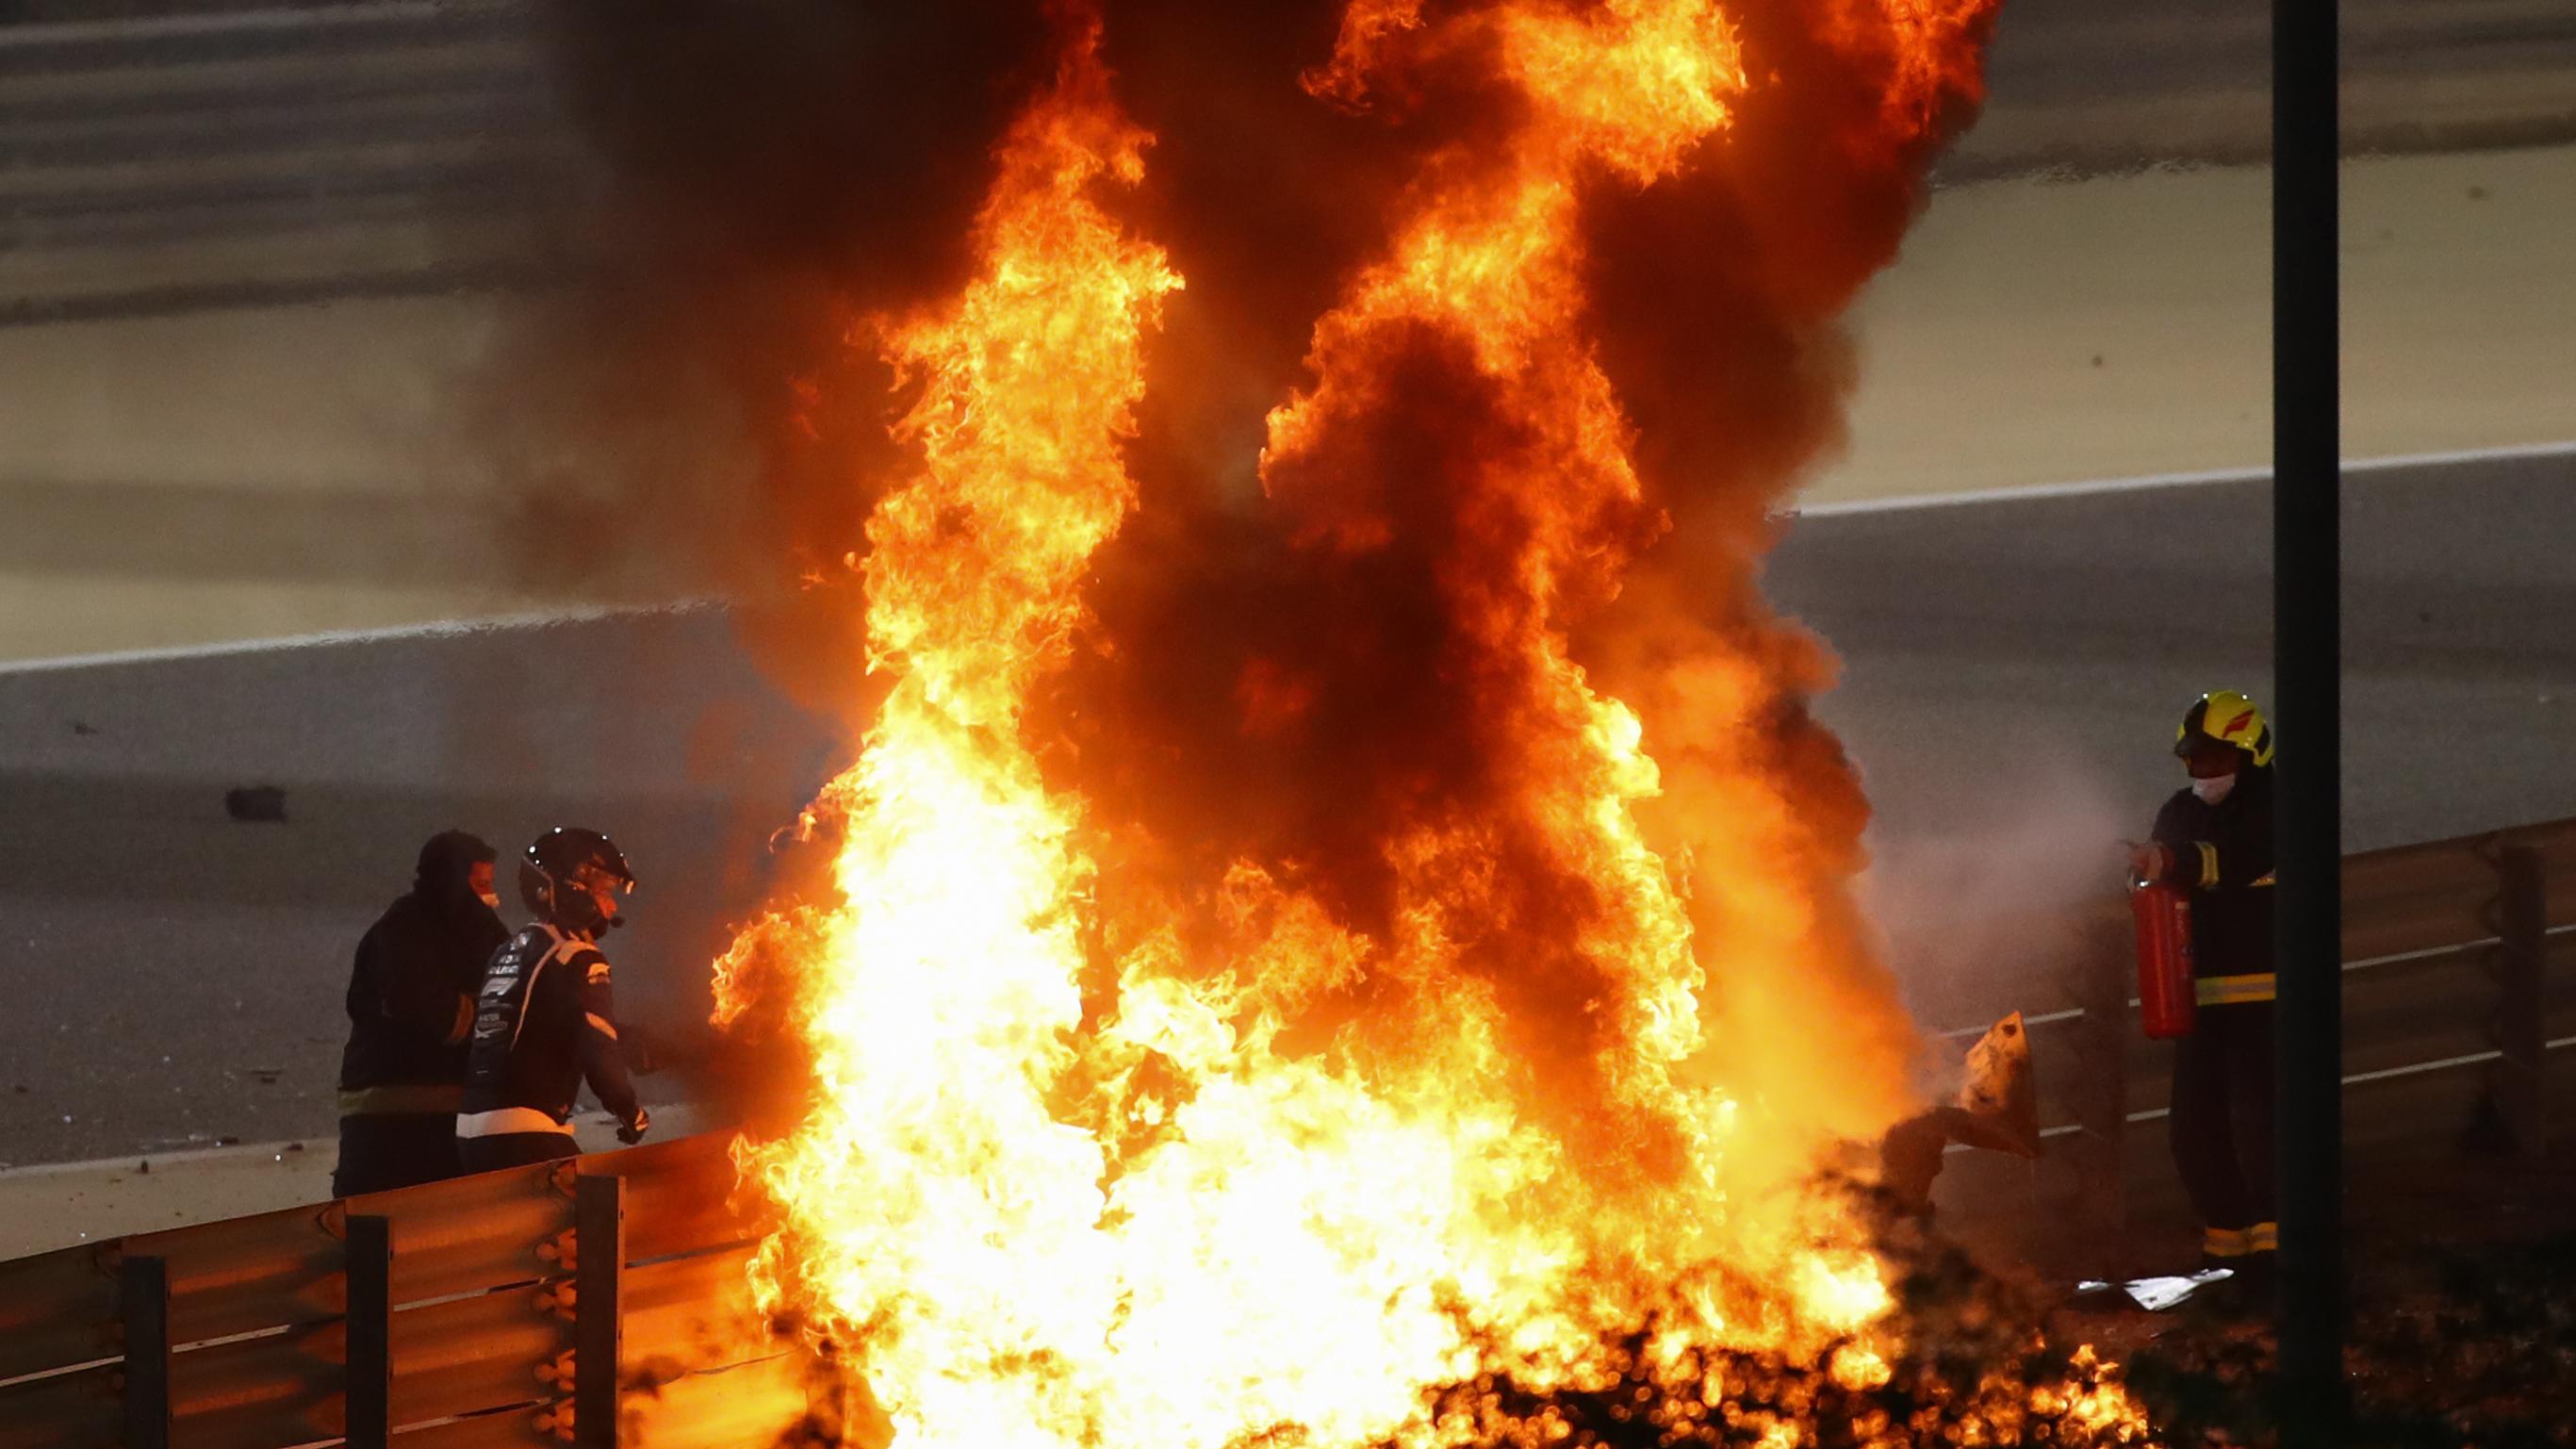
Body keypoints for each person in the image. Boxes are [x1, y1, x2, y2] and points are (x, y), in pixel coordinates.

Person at [2127, 689, 2278, 1276]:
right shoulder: (2181, 809)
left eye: (2214, 760)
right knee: (2193, 1132)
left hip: (2268, 995)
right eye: (2193, 761)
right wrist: (2140, 868)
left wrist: (2169, 861)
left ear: (2250, 755)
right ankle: (2226, 1251)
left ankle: (2278, 1257)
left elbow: (2235, 858)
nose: (2201, 772)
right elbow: (2162, 874)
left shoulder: (2277, 805)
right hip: (2199, 998)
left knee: (2265, 1128)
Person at [456, 828, 651, 1171]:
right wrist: (629, 1110)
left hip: (470, 1133)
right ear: (574, 890)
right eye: (605, 892)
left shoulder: (509, 951)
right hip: (527, 1130)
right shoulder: (577, 955)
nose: (612, 905)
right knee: (607, 1212)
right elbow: (597, 1047)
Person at [334, 830, 509, 1195]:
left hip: (450, 1121)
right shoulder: (403, 931)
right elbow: (427, 1010)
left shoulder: (474, 934)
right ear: (452, 882)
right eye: (480, 885)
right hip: (390, 1127)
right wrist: (493, 1016)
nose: (490, 898)